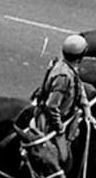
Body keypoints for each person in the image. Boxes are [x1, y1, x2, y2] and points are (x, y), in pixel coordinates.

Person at [33, 34, 89, 163]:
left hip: (70, 115)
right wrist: (60, 127)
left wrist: (86, 109)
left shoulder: (69, 67)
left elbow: (79, 87)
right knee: (63, 158)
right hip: (53, 121)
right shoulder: (63, 77)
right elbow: (52, 106)